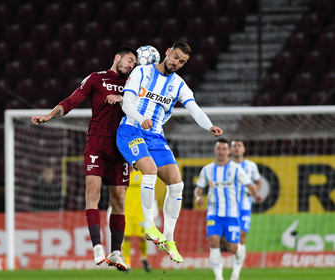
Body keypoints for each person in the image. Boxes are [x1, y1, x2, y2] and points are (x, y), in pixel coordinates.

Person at [112, 42, 223, 263]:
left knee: (177, 184)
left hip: (155, 136)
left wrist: (209, 125)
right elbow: (126, 104)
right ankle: (150, 227)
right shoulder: (142, 71)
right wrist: (140, 117)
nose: (177, 62)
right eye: (175, 56)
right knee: (150, 171)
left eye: (182, 61)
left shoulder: (179, 84)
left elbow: (195, 109)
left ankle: (169, 238)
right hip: (131, 130)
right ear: (167, 52)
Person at [31, 46, 138, 271]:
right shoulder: (96, 78)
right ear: (117, 57)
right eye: (129, 60)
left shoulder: (133, 85)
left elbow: (145, 108)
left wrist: (123, 98)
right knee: (93, 193)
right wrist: (49, 116)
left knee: (119, 200)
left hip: (121, 146)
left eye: (134, 63)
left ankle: (116, 252)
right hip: (97, 144)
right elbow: (71, 101)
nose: (131, 65)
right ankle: (98, 248)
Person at [194, 139, 263, 280]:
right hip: (213, 213)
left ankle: (238, 263)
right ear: (215, 150)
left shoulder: (236, 169)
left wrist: (256, 195)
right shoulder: (207, 170)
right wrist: (198, 198)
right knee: (214, 241)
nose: (221, 151)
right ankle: (219, 278)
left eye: (224, 149)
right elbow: (198, 189)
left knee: (233, 248)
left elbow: (250, 185)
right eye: (218, 148)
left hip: (231, 214)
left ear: (228, 151)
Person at [230, 139, 261, 280]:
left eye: (239, 146)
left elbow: (258, 181)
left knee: (242, 234)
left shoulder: (251, 166)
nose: (237, 148)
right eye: (234, 146)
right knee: (231, 239)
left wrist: (254, 192)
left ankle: (236, 272)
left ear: (244, 149)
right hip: (229, 206)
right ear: (230, 150)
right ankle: (239, 254)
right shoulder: (225, 165)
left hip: (244, 205)